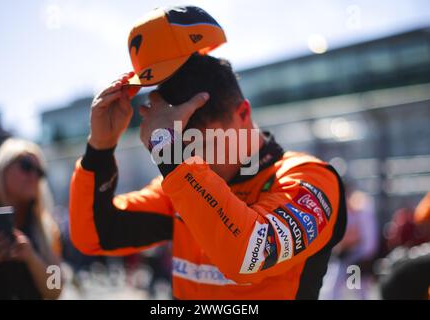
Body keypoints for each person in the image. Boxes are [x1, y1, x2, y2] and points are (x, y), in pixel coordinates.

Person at [69, 6, 347, 299]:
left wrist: (168, 148)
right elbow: (94, 235)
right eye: (184, 150)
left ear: (243, 114)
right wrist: (100, 148)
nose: (196, 162)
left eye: (203, 145)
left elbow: (249, 255)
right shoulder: (181, 187)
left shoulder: (310, 178)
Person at [0, 139, 62, 299]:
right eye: (26, 166)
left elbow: (55, 288)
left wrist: (31, 258)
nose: (33, 176)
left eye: (40, 172)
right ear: (2, 167)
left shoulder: (46, 227)